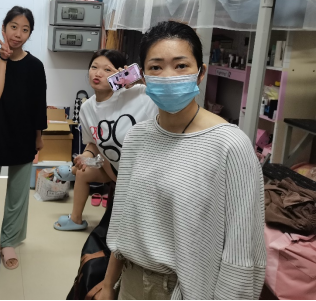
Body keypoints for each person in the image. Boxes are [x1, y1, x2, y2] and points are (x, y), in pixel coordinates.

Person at [99, 21, 266, 300]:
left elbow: (242, 248)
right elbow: (123, 220)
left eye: (181, 66)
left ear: (200, 74)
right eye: (155, 67)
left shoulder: (230, 145)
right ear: (143, 77)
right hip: (131, 280)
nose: (168, 76)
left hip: (185, 288)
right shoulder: (137, 137)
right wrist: (108, 285)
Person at [0, 6, 47, 271]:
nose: (18, 34)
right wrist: (4, 60)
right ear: (3, 27)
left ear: (29, 34)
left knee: (18, 194)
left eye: (25, 29)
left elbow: (39, 106)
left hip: (24, 135)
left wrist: (38, 138)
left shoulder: (35, 66)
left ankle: (9, 242)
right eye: (13, 27)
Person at [54, 50, 158, 231]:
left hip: (142, 173)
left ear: (120, 73)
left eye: (107, 70)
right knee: (84, 172)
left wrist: (142, 80)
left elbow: (168, 101)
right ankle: (76, 219)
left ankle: (71, 171)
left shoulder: (138, 94)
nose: (98, 73)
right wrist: (85, 157)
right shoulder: (87, 107)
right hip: (113, 167)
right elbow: (94, 143)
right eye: (94, 67)